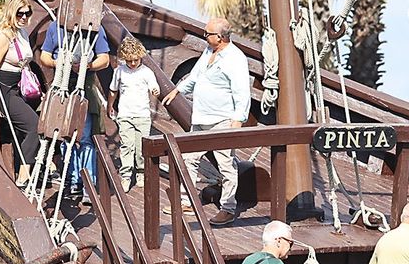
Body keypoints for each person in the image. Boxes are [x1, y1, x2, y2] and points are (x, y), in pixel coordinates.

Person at [162, 17, 251, 226]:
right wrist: (177, 91)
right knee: (190, 159)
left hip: (222, 120)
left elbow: (242, 91)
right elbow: (195, 77)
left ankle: (228, 208)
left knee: (226, 165)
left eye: (207, 34)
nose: (204, 36)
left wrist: (238, 119)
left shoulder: (235, 58)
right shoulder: (208, 51)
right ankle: (187, 201)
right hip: (201, 117)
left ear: (220, 37)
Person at [39, 21, 113, 196]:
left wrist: (87, 65)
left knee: (85, 138)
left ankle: (88, 184)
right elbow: (44, 56)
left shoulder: (95, 29)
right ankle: (73, 180)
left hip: (84, 89)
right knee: (65, 137)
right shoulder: (55, 27)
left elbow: (104, 59)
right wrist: (58, 63)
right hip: (62, 89)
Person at [0, 0, 42, 187]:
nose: (24, 17)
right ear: (11, 12)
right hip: (4, 89)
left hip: (19, 86)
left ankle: (43, 167)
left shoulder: (22, 33)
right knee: (34, 126)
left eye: (27, 13)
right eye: (20, 13)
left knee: (38, 124)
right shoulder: (3, 36)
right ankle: (24, 176)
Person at [109, 36, 160, 189]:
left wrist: (155, 90)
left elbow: (154, 86)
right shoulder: (119, 71)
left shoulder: (146, 72)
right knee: (126, 145)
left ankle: (141, 172)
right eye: (129, 60)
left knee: (141, 147)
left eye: (135, 60)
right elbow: (113, 90)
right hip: (125, 114)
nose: (132, 63)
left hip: (142, 115)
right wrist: (110, 105)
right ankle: (126, 175)